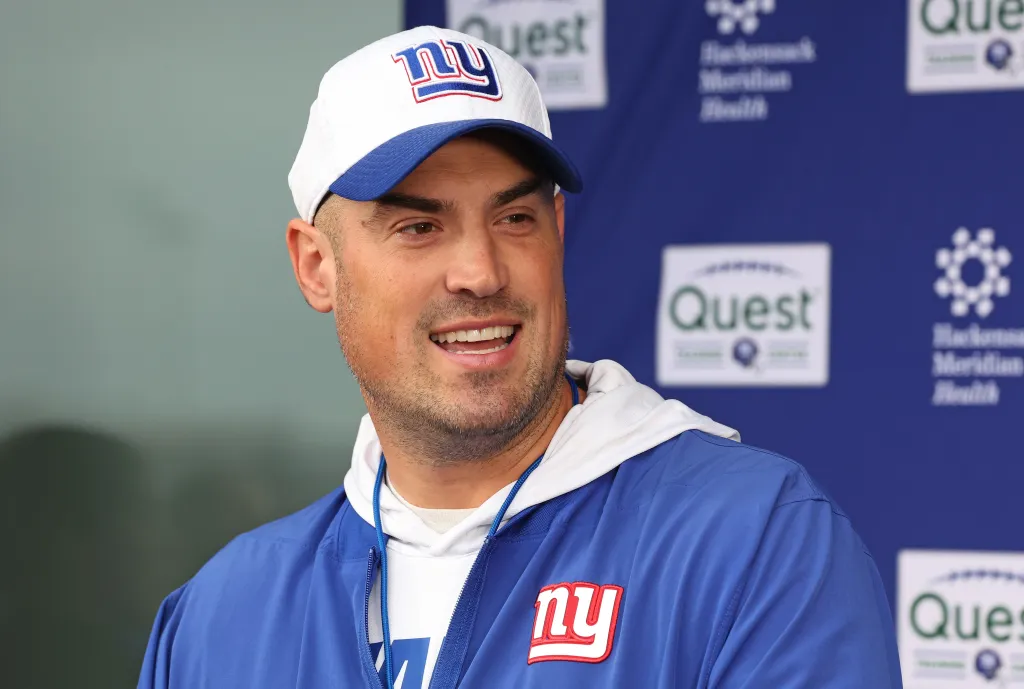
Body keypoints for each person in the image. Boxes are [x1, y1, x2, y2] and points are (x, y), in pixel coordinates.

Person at [138, 25, 903, 689]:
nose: (480, 271)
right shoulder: (222, 615)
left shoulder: (752, 543)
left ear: (557, 232)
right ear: (316, 266)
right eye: (419, 227)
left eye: (513, 218)